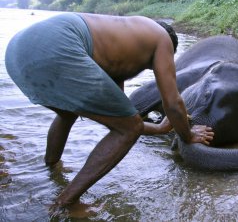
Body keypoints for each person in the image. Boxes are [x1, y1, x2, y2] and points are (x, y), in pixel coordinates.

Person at [5, 12, 214, 207]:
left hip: (16, 52)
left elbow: (118, 120)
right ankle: (65, 203)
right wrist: (187, 134)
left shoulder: (121, 40)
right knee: (128, 129)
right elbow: (172, 103)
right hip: (59, 46)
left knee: (68, 113)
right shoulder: (163, 39)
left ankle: (51, 168)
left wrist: (159, 129)